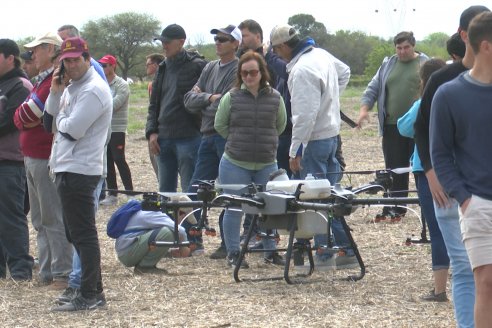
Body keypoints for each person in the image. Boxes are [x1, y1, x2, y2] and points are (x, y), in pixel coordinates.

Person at [414, 5, 490, 327]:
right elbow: (434, 145)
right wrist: (463, 197)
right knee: (478, 278)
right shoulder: (446, 88)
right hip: (475, 201)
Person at [269, 24, 354, 270]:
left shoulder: (301, 70)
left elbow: (304, 116)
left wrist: (295, 150)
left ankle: (325, 254)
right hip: (330, 135)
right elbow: (344, 72)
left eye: (276, 49)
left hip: (313, 140)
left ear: (284, 46)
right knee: (331, 195)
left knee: (315, 200)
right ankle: (345, 249)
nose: (276, 54)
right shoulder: (321, 55)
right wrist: (330, 99)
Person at [44, 37, 112, 311]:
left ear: (87, 57)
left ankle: (89, 294)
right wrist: (55, 91)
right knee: (75, 233)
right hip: (65, 166)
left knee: (83, 234)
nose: (71, 65)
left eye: (76, 59)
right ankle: (92, 290)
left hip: (81, 170)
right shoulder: (72, 88)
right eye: (66, 60)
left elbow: (72, 129)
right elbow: (48, 121)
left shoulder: (93, 90)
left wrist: (61, 120)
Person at [215, 50, 286, 268]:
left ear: (261, 72)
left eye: (253, 72)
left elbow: (281, 125)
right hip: (235, 162)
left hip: (267, 163)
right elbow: (220, 125)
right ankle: (234, 253)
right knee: (234, 208)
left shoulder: (275, 97)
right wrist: (238, 140)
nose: (248, 77)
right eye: (244, 73)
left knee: (269, 208)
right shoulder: (231, 96)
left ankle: (270, 250)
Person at [14, 32, 73, 289]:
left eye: (36, 49)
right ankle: (48, 271)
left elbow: (31, 112)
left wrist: (25, 116)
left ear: (50, 49)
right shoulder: (43, 81)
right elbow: (22, 115)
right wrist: (24, 117)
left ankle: (62, 273)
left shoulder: (54, 81)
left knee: (52, 217)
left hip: (44, 156)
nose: (32, 55)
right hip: (32, 156)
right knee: (39, 220)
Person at [183, 24, 241, 260]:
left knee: (229, 191)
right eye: (216, 38)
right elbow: (188, 99)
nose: (218, 42)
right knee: (195, 190)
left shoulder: (239, 69)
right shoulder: (209, 67)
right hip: (206, 135)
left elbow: (226, 105)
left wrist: (206, 100)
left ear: (235, 43)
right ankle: (191, 241)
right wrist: (210, 97)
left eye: (224, 39)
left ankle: (230, 245)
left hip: (225, 136)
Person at [357, 31, 428, 221]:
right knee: (395, 168)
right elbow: (372, 89)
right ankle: (396, 208)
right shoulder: (388, 64)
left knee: (421, 167)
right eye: (399, 48)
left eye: (406, 47)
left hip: (418, 126)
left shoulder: (424, 64)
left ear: (413, 46)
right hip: (391, 125)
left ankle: (427, 204)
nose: (402, 52)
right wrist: (364, 109)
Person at [397, 58, 450, 302]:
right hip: (454, 169)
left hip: (426, 170)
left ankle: (439, 289)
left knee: (437, 230)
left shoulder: (423, 104)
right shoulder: (455, 99)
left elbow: (403, 127)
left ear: (424, 81)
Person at [146, 24, 207, 193]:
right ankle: (167, 221)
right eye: (162, 41)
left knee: (190, 191)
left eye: (167, 42)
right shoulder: (163, 68)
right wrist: (151, 132)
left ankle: (193, 220)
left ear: (181, 42)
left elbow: (208, 100)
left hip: (189, 137)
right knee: (165, 193)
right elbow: (154, 104)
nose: (163, 45)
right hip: (163, 138)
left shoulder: (198, 65)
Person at [0, 39, 34, 281]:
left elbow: (11, 121)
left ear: (10, 57)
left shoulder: (20, 85)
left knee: (11, 216)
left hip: (10, 162)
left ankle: (21, 270)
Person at [113, 196, 194, 273]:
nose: (183, 219)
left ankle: (146, 266)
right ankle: (145, 268)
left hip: (126, 250)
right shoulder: (154, 214)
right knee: (168, 233)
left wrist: (169, 252)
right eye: (184, 217)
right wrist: (184, 247)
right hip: (127, 253)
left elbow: (147, 238)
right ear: (179, 212)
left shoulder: (148, 211)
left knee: (164, 233)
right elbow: (180, 231)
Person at [98, 54, 133, 206]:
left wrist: (99, 107)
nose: (103, 68)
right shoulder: (101, 83)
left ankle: (130, 193)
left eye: (106, 65)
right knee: (107, 160)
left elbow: (114, 104)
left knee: (119, 158)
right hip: (104, 128)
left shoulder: (122, 84)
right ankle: (112, 193)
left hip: (117, 128)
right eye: (101, 65)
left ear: (113, 66)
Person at [145, 53, 164, 178]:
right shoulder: (151, 85)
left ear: (156, 65)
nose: (146, 67)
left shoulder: (160, 83)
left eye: (148, 64)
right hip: (153, 126)